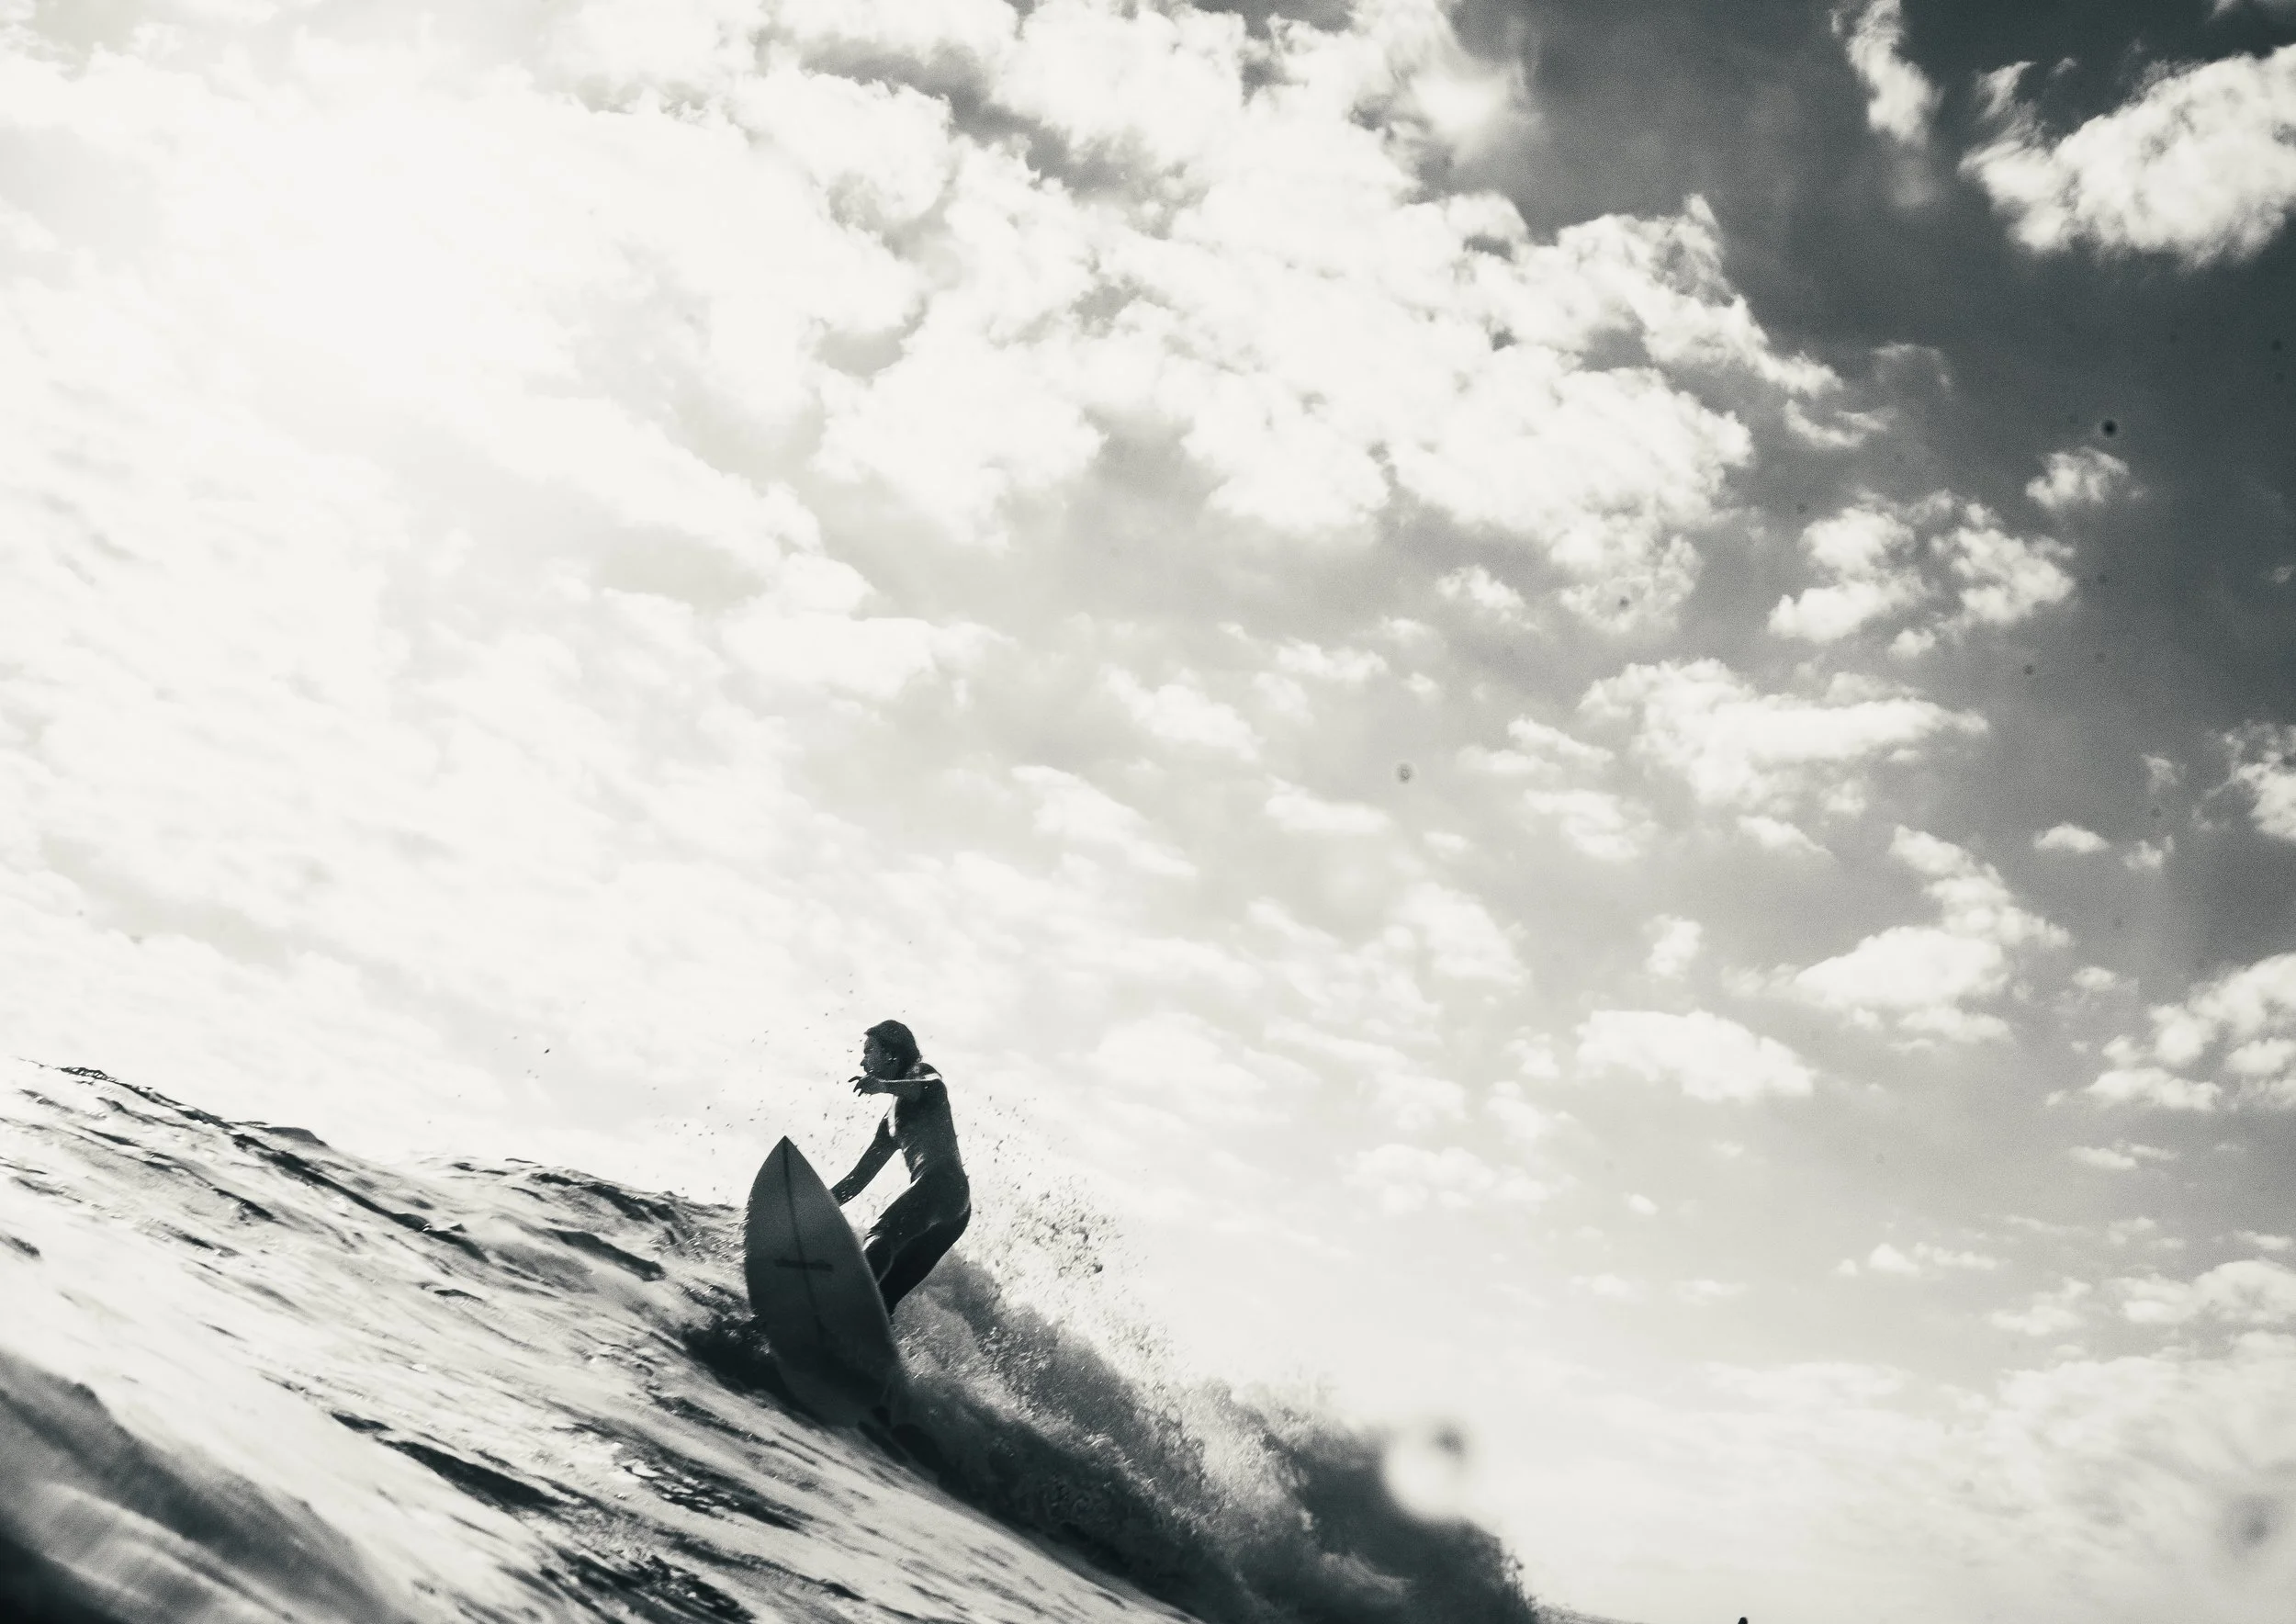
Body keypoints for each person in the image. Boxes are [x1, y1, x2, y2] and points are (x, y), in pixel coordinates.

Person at [830, 1020, 971, 1319]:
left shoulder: (921, 1075)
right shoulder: (889, 1124)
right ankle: (868, 1354)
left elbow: (930, 1087)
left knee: (881, 1235)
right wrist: (817, 1204)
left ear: (892, 1055)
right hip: (954, 1213)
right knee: (885, 1296)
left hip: (942, 1184)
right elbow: (857, 1181)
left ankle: (840, 1312)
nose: (862, 1059)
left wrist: (883, 1086)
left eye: (869, 1051)